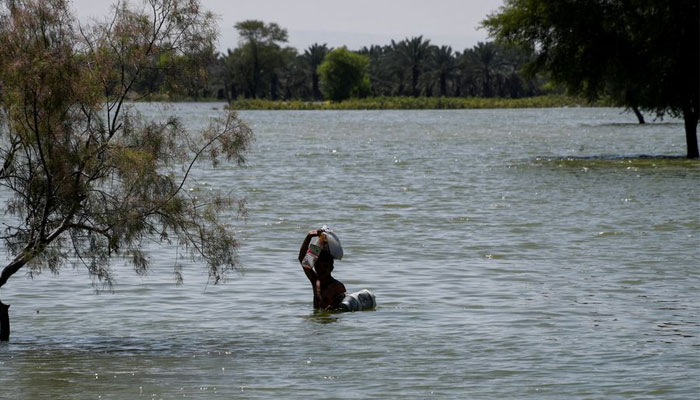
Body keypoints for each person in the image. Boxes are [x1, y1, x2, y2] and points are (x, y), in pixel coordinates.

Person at [298, 229, 346, 310]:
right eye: (319, 266)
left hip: (331, 320)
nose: (322, 269)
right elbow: (302, 259)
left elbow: (345, 307)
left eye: (325, 266)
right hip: (317, 320)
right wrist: (309, 236)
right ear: (314, 266)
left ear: (331, 268)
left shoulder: (337, 286)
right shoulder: (315, 281)